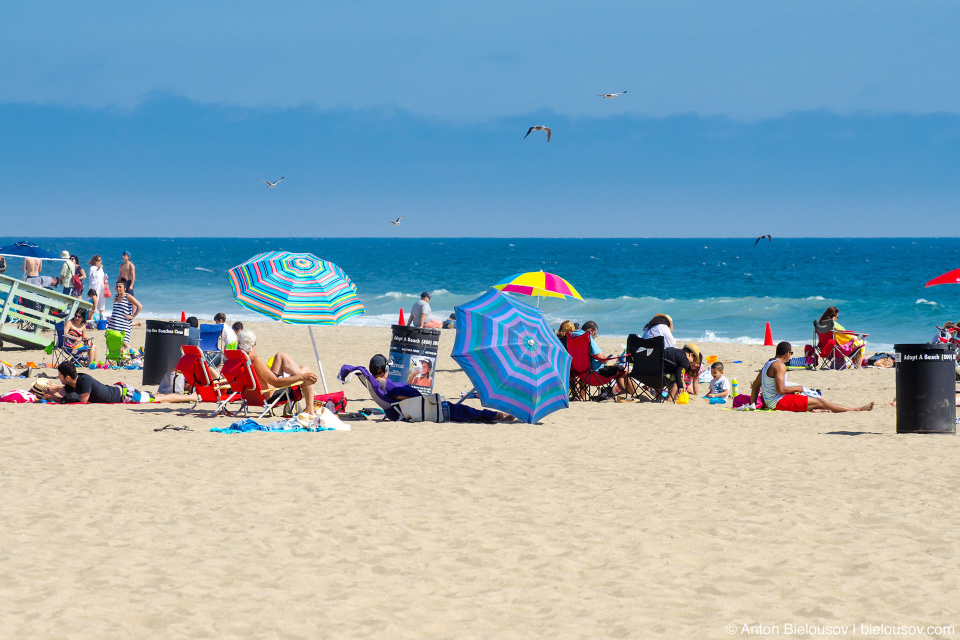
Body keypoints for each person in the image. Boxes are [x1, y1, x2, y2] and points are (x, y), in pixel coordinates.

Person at [343, 354, 513, 422]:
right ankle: (500, 415)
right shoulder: (390, 386)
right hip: (428, 409)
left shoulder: (377, 385)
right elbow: (410, 396)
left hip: (411, 409)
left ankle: (500, 415)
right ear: (385, 370)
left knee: (462, 409)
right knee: (465, 411)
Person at [751, 342, 873, 413]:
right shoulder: (780, 366)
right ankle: (856, 409)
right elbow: (780, 390)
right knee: (821, 402)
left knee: (817, 403)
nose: (791, 356)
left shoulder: (768, 364)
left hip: (771, 401)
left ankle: (826, 409)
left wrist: (752, 405)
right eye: (791, 353)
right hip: (777, 402)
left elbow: (756, 385)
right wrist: (796, 387)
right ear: (787, 353)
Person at [236, 329, 318, 416]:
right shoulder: (255, 360)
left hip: (251, 396)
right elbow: (276, 382)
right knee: (306, 370)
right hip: (271, 395)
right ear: (255, 343)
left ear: (239, 343)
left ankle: (311, 391)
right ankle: (310, 411)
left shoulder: (238, 359)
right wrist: (303, 377)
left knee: (280, 356)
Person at [44, 362, 196, 404]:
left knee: (159, 398)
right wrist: (54, 390)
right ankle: (190, 396)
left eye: (60, 376)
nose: (59, 378)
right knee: (157, 396)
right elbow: (66, 391)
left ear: (68, 377)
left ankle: (192, 397)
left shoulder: (84, 381)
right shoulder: (74, 381)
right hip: (119, 390)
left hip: (125, 395)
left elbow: (81, 401)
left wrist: (55, 398)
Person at [107, 280, 142, 346]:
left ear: (124, 288)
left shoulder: (128, 297)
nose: (118, 288)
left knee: (124, 343)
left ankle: (133, 355)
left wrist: (132, 316)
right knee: (113, 342)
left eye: (120, 287)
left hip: (124, 324)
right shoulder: (116, 297)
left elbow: (139, 306)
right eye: (117, 287)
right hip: (114, 324)